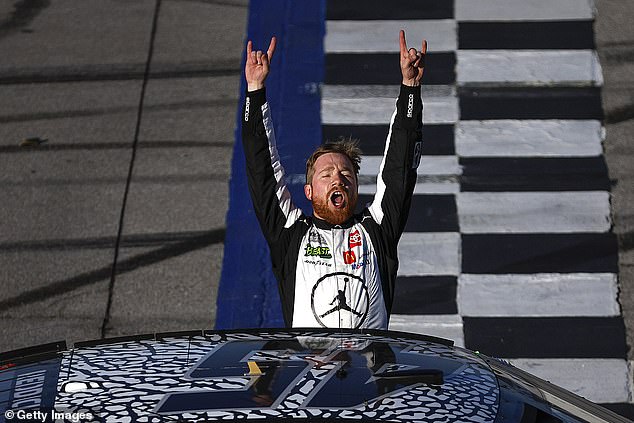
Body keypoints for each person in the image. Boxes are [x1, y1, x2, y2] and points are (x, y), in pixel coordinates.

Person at [242, 30, 426, 330]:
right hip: (310, 373)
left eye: (345, 174)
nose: (337, 180)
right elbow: (261, 169)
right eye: (326, 175)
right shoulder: (289, 232)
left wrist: (410, 89)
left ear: (355, 187)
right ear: (310, 190)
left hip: (368, 373)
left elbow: (400, 170)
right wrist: (254, 90)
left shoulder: (377, 229)